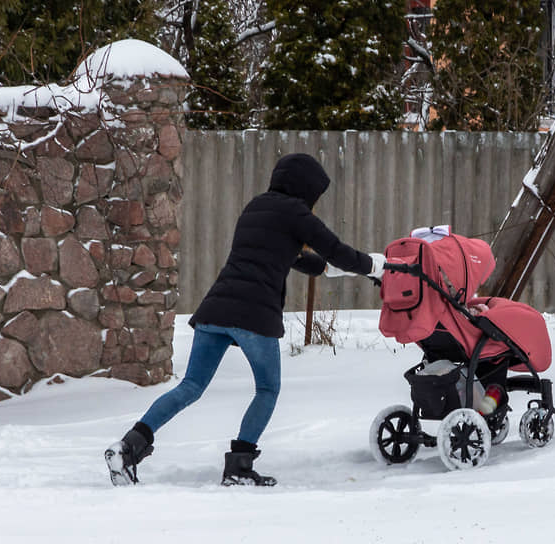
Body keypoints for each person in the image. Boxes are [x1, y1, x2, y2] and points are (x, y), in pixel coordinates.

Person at [105, 153, 386, 487]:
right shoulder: (296, 212)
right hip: (254, 312)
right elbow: (335, 248)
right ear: (305, 188)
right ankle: (239, 466)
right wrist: (373, 266)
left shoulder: (257, 207)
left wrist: (326, 268)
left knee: (191, 386)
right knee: (267, 389)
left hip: (216, 308)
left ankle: (128, 447)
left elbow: (289, 256)